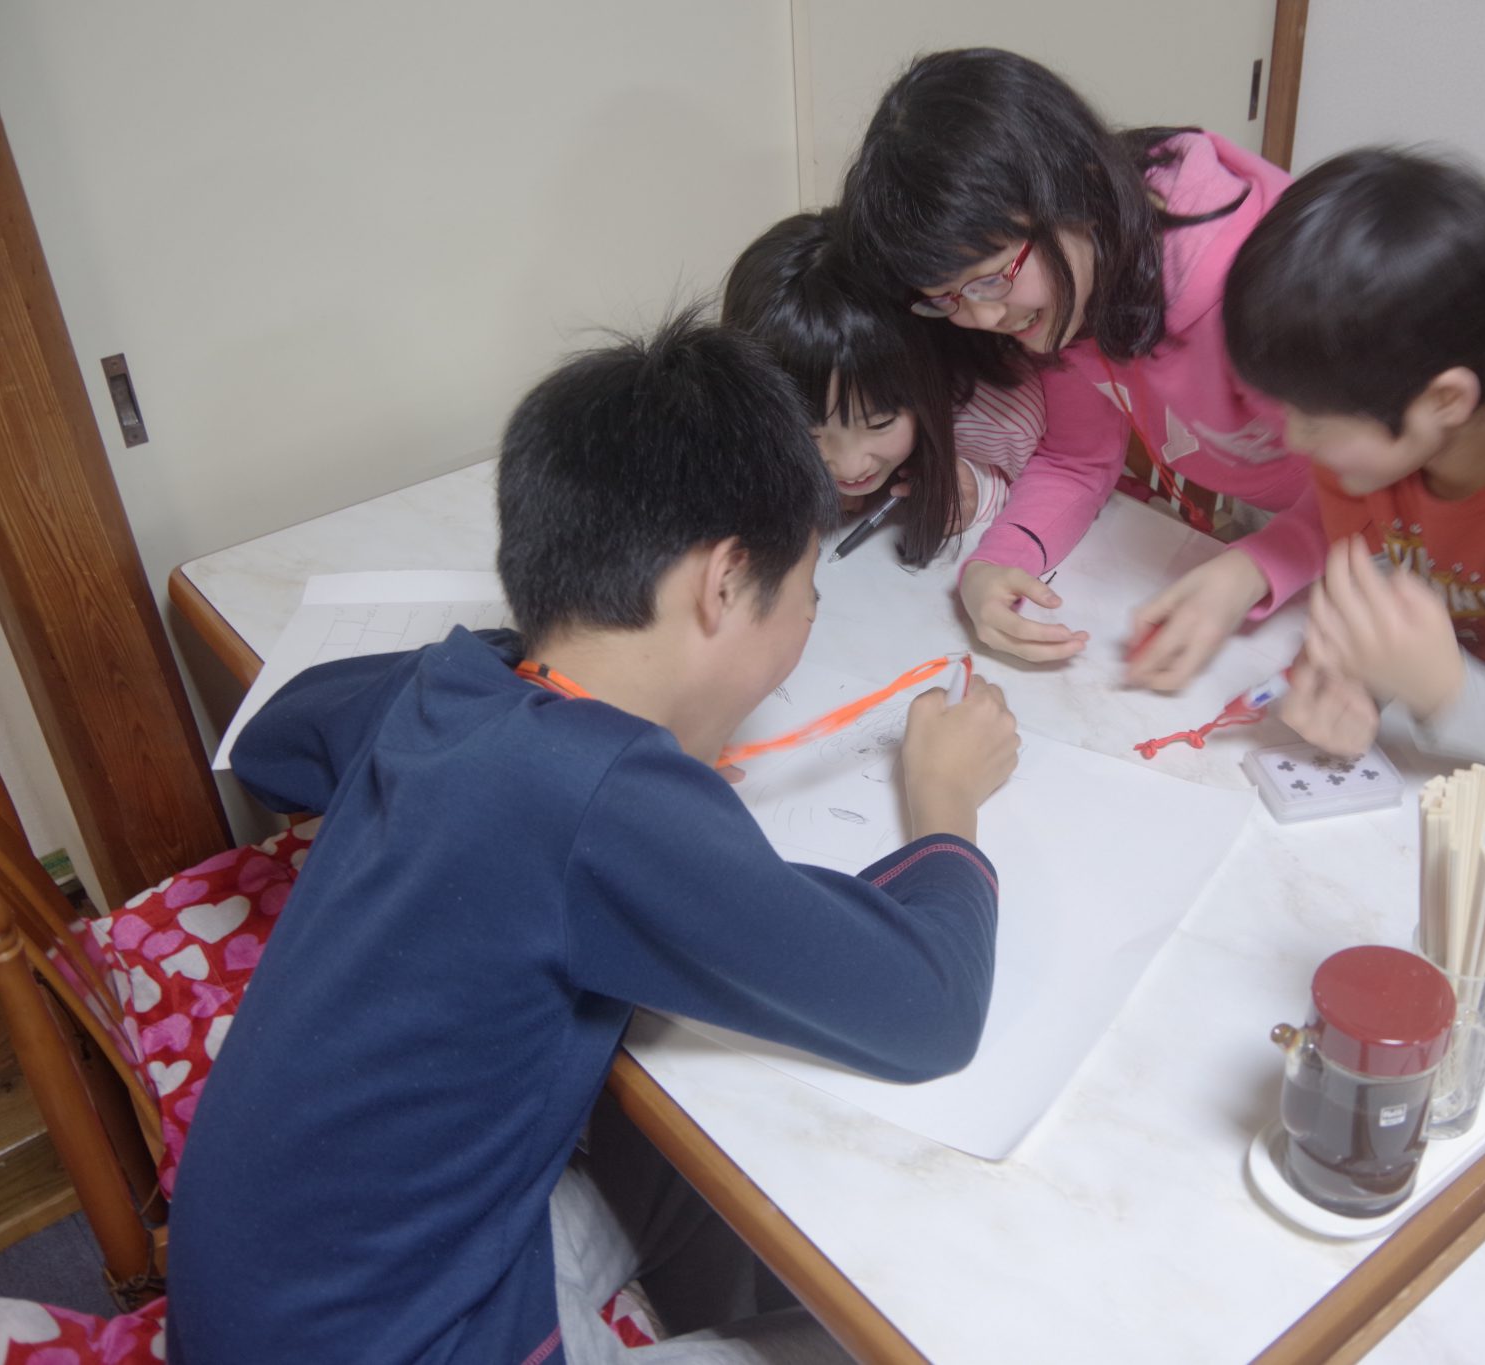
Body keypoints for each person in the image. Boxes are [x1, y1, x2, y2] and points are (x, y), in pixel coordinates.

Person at [166, 313, 1021, 1363]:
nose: (805, 620)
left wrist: (582, 691)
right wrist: (945, 799)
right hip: (406, 1342)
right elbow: (928, 1007)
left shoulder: (446, 690)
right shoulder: (600, 802)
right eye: (805, 593)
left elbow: (277, 742)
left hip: (273, 1305)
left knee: (696, 1175)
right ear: (722, 584)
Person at [838, 47, 1324, 691]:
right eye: (945, 299)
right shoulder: (1069, 291)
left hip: (1402, 527)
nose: (982, 318)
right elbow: (1077, 458)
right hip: (1295, 524)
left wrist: (1257, 567)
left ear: (1072, 191)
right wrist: (994, 564)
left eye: (989, 279)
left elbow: (1392, 476)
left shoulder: (1257, 294)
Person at [1223, 148, 1485, 790]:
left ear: (1445, 401)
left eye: (1314, 417)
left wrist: (1447, 691)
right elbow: (1379, 598)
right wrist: (1358, 678)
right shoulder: (1362, 471)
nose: (1293, 439)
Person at [722, 211, 1036, 566]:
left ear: (926, 375)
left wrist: (977, 490)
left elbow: (1048, 478)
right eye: (807, 433)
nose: (850, 465)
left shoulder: (991, 413)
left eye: (879, 423)